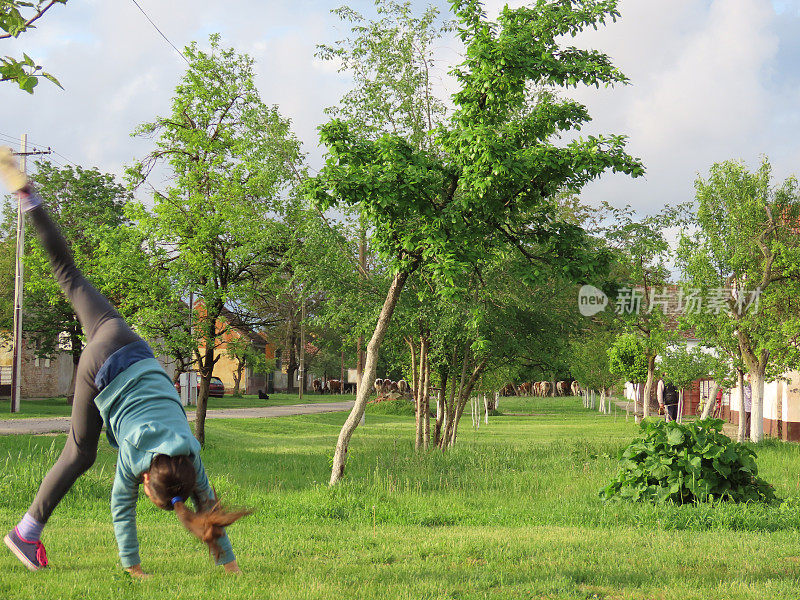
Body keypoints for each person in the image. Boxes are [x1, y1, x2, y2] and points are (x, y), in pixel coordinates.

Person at [0, 148, 248, 577]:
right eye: (150, 494)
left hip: (125, 339)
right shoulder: (137, 457)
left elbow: (207, 506)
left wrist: (230, 564)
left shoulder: (190, 453)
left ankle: (29, 197)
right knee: (80, 453)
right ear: (149, 479)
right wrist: (133, 569)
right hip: (101, 366)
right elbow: (123, 512)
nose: (145, 497)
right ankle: (26, 531)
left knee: (70, 274)